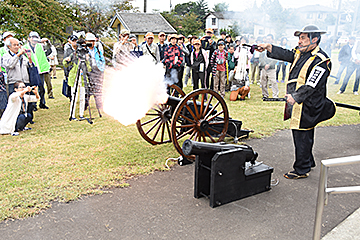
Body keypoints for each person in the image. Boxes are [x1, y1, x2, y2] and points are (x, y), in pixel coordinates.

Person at [257, 24, 336, 179]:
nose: (299, 42)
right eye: (299, 38)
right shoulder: (300, 53)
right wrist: (268, 47)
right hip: (299, 102)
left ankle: (301, 169)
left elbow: (312, 84)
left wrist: (296, 96)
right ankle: (308, 161)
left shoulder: (321, 60)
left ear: (314, 39)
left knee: (301, 135)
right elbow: (286, 54)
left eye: (303, 38)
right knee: (305, 134)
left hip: (308, 104)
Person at [63, 39, 92, 121]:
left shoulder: (85, 56)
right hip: (74, 78)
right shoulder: (74, 55)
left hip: (82, 79)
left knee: (82, 97)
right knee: (74, 97)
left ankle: (81, 114)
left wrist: (87, 60)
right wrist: (67, 59)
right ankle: (72, 115)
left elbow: (89, 69)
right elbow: (64, 64)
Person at [23, 31, 50, 109]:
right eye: (32, 38)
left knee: (42, 88)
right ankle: (33, 104)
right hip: (31, 70)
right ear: (29, 38)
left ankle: (42, 103)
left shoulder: (40, 46)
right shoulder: (25, 47)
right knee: (33, 88)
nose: (34, 40)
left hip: (41, 69)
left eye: (36, 38)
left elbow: (49, 50)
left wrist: (47, 42)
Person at [85, 32, 105, 112]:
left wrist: (101, 68)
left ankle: (99, 104)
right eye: (89, 41)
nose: (91, 43)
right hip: (88, 70)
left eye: (93, 41)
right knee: (87, 88)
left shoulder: (98, 50)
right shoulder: (84, 51)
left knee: (98, 88)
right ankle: (85, 104)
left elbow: (102, 60)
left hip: (97, 70)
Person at [259, 34, 279, 98]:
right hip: (264, 68)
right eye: (267, 39)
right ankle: (265, 95)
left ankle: (275, 95)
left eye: (269, 39)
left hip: (272, 68)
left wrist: (269, 65)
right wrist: (264, 64)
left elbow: (276, 59)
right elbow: (260, 58)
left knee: (273, 82)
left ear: (272, 40)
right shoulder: (263, 48)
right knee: (263, 83)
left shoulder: (274, 49)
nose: (268, 40)